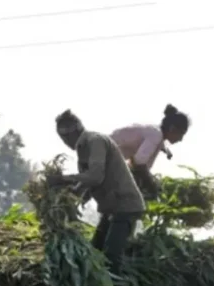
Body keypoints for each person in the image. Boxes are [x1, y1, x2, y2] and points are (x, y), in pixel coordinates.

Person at [49, 109, 145, 275]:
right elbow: (87, 183)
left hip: (125, 206)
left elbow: (95, 176)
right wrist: (70, 197)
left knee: (110, 257)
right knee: (95, 252)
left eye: (65, 138)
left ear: (73, 133)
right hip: (111, 209)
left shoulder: (95, 141)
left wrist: (63, 179)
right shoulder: (83, 148)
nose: (65, 142)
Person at [110, 104, 191, 197]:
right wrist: (153, 185)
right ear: (172, 129)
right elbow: (138, 163)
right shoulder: (155, 135)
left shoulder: (157, 134)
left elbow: (140, 163)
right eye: (181, 134)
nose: (181, 139)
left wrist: (166, 150)